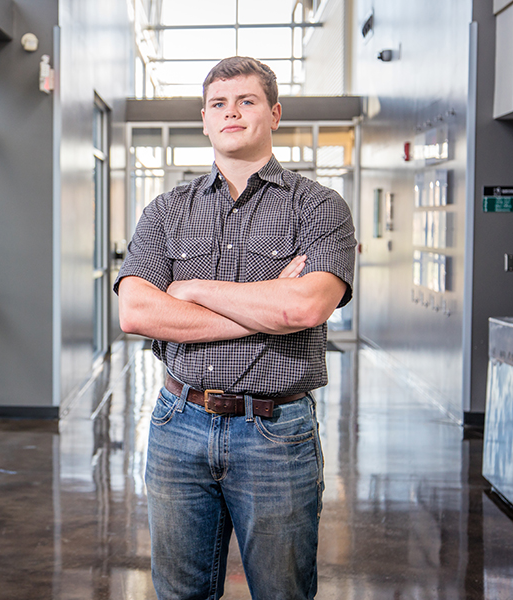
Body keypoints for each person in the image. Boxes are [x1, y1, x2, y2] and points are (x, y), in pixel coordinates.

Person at [114, 56, 356, 599]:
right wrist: (268, 304)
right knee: (180, 593)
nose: (232, 113)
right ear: (204, 119)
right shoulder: (166, 210)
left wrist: (191, 290)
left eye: (247, 101)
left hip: (277, 432)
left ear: (273, 113)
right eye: (219, 104)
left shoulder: (318, 207)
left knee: (282, 593)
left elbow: (304, 310)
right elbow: (136, 312)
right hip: (179, 423)